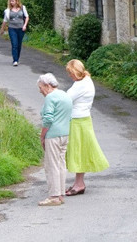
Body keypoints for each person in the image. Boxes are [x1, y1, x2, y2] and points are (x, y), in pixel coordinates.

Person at [64, 59, 109, 196]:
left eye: (71, 73)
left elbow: (66, 100)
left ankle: (79, 184)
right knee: (80, 151)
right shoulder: (87, 80)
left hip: (78, 120)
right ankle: (78, 183)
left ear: (76, 71)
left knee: (78, 152)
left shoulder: (80, 85)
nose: (70, 76)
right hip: (83, 119)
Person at [38, 73, 72, 206]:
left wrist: (42, 135)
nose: (40, 91)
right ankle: (61, 193)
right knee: (61, 164)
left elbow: (48, 119)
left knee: (51, 165)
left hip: (53, 135)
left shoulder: (50, 98)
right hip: (65, 134)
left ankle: (54, 196)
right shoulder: (65, 95)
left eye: (41, 88)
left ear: (47, 85)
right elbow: (69, 116)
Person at [0, 0, 29, 66]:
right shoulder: (7, 10)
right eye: (10, 1)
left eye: (12, 1)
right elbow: (5, 20)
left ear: (16, 1)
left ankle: (17, 58)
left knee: (19, 44)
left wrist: (25, 25)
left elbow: (27, 17)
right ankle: (15, 60)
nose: (11, 2)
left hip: (21, 29)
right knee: (14, 44)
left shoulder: (22, 8)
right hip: (12, 29)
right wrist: (2, 29)